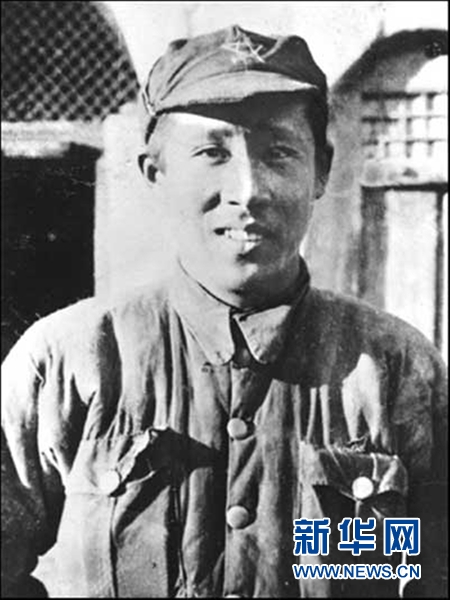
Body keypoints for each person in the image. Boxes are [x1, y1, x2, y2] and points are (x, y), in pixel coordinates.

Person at [1, 25, 447, 598]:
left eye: (278, 152)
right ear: (155, 173)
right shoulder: (67, 362)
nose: (248, 189)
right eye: (212, 153)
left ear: (321, 171)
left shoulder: (398, 371)